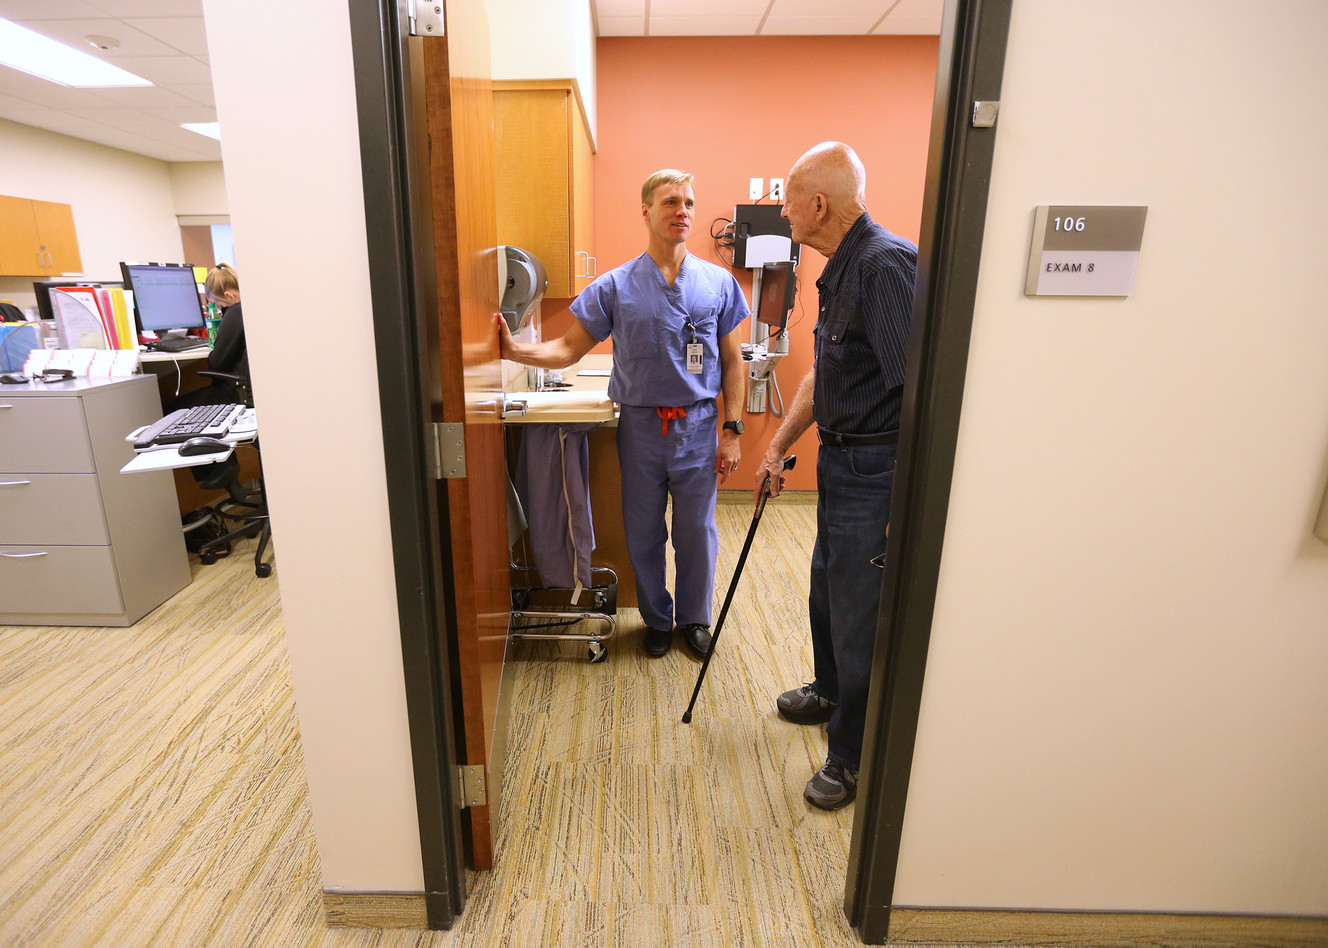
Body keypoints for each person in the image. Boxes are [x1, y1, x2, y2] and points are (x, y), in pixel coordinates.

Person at [499, 169, 750, 659]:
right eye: (670, 201)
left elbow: (735, 361)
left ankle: (695, 619)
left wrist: (733, 429)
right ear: (646, 211)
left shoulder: (718, 282)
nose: (682, 211)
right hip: (641, 426)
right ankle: (658, 619)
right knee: (643, 530)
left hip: (697, 426)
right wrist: (515, 352)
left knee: (697, 531)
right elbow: (569, 348)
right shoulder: (615, 286)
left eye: (689, 203)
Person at [752, 142, 917, 810]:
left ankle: (851, 757)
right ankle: (830, 692)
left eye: (787, 198)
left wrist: (899, 497)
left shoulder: (884, 267)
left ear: (817, 204)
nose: (782, 209)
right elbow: (825, 374)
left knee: (860, 614)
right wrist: (777, 448)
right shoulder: (839, 269)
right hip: (842, 462)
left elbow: (918, 392)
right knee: (827, 590)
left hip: (878, 469)